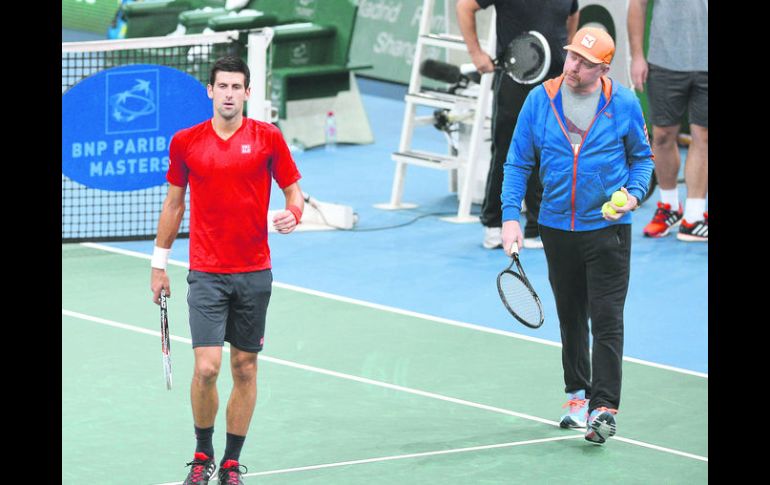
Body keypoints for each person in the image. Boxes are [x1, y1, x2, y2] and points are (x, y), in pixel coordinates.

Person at [149, 56, 304, 484]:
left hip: (254, 272)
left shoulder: (268, 139)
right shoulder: (186, 142)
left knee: (245, 368)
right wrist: (158, 264)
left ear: (248, 93)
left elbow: (295, 192)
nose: (230, 94)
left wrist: (294, 213)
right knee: (206, 368)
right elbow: (174, 204)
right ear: (210, 91)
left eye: (238, 87)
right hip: (206, 272)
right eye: (223, 87)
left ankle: (231, 463)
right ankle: (203, 454)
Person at [501, 27, 654, 444]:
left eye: (586, 63)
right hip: (555, 226)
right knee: (571, 315)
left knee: (606, 319)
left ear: (603, 68)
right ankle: (577, 394)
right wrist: (511, 216)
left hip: (607, 229)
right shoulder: (540, 99)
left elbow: (643, 160)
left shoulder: (622, 102)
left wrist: (633, 195)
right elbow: (517, 163)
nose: (574, 67)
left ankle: (604, 408)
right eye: (572, 57)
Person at [456, 0, 579, 250]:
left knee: (548, 152)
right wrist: (476, 53)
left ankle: (537, 227)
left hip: (553, 84)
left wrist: (570, 55)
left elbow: (573, 14)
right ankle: (495, 225)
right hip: (515, 81)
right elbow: (464, 6)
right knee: (507, 152)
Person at [627, 0, 708, 241]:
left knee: (703, 134)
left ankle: (694, 216)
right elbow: (637, 5)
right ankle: (670, 207)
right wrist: (637, 57)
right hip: (663, 62)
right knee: (662, 136)